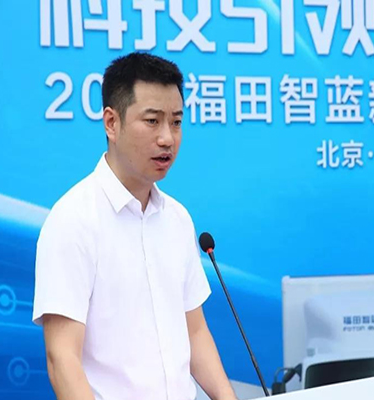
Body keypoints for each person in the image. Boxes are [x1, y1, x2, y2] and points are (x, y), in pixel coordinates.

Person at [32, 52, 237, 400]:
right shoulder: (73, 220)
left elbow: (195, 332)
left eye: (176, 122)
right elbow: (61, 358)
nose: (167, 138)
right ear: (111, 123)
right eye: (152, 121)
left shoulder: (177, 219)